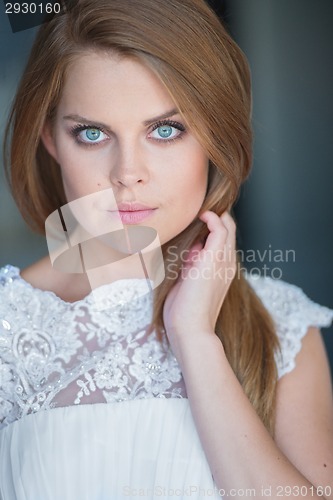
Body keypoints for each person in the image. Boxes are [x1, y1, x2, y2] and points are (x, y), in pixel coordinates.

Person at [0, 0, 332, 498]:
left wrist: (196, 340)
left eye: (165, 130)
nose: (127, 172)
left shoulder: (281, 326)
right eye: (92, 133)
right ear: (49, 137)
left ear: (214, 137)